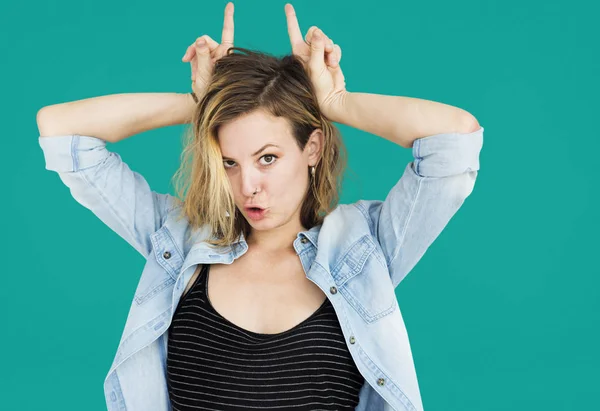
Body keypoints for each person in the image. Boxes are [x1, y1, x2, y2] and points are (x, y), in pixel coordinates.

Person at [36, 3, 483, 411]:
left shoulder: (363, 249)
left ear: (312, 147)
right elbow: (61, 131)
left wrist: (335, 103)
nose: (248, 186)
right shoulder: (179, 241)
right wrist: (197, 104)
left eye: (267, 158)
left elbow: (454, 141)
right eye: (230, 162)